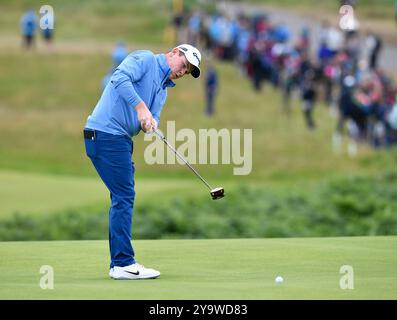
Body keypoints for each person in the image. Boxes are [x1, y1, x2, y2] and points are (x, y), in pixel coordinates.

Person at [83, 44, 201, 280]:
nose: (183, 71)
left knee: (122, 195)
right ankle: (122, 263)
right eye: (184, 64)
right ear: (174, 52)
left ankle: (119, 262)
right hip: (106, 134)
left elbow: (151, 118)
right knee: (124, 195)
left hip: (119, 139)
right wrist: (140, 107)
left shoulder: (164, 89)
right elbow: (119, 78)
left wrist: (150, 123)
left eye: (187, 71)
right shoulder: (145, 59)